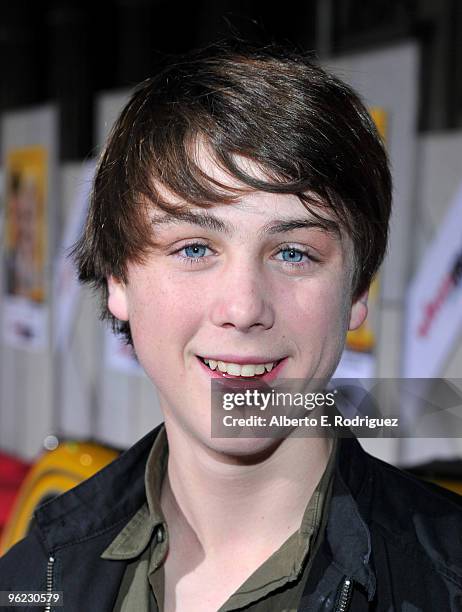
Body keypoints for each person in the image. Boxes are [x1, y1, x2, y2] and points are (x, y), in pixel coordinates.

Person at [1, 41, 461, 612]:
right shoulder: (32, 580)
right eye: (195, 248)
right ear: (119, 280)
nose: (243, 308)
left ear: (357, 291)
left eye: (293, 253)